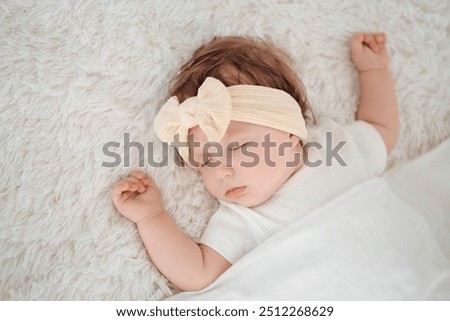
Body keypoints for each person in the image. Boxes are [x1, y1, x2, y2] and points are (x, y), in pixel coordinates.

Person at [111, 33, 398, 291]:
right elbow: (198, 273)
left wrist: (373, 70)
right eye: (207, 160)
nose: (223, 170)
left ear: (290, 132)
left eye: (240, 147)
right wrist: (152, 218)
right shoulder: (245, 217)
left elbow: (380, 127)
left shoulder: (336, 146)